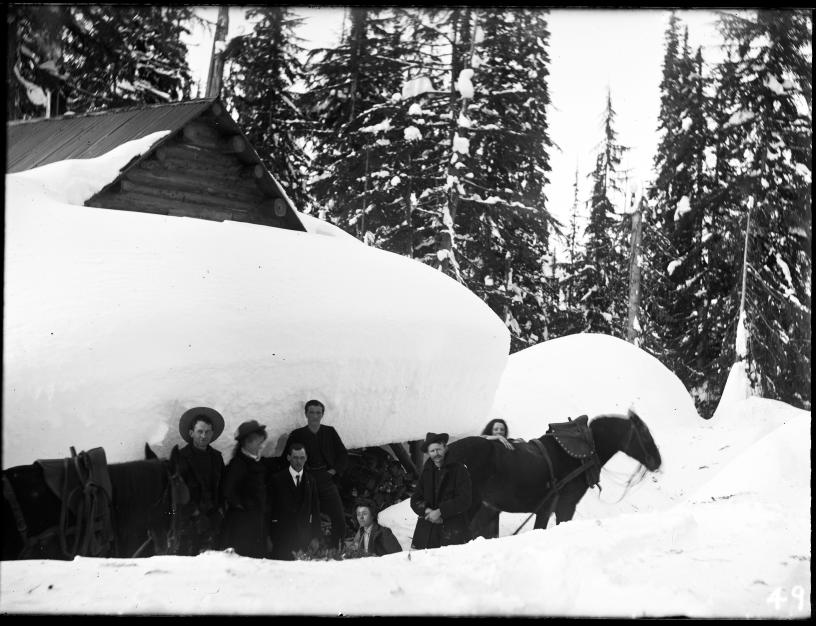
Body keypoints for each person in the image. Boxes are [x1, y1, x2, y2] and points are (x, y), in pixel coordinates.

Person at [282, 399, 349, 550]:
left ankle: (336, 549)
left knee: (338, 516)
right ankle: (307, 551)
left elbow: (342, 454)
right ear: (306, 414)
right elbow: (286, 459)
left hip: (325, 478)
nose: (315, 416)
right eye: (311, 412)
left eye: (318, 412)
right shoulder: (297, 434)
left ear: (322, 414)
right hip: (306, 480)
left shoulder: (329, 432)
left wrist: (333, 471)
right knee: (308, 518)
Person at [172, 409, 226, 555]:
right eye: (200, 431)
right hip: (189, 524)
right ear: (191, 433)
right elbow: (177, 492)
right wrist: (194, 513)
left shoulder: (216, 457)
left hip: (213, 522)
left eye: (207, 432)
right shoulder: (181, 457)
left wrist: (220, 510)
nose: (204, 436)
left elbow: (222, 486)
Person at [410, 432, 472, 550]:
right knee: (424, 565)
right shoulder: (426, 471)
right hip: (426, 531)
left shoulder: (459, 469)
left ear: (445, 448)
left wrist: (440, 511)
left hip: (453, 530)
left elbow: (465, 499)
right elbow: (415, 499)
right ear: (428, 453)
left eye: (438, 449)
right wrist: (427, 511)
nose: (436, 454)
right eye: (432, 451)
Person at [220, 420, 269, 558]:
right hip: (241, 526)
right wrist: (245, 507)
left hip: (255, 523)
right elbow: (228, 492)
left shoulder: (254, 462)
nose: (261, 446)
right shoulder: (238, 464)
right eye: (259, 443)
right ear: (247, 443)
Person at [268, 442, 322, 560]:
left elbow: (315, 510)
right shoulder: (277, 479)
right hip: (281, 538)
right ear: (288, 458)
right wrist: (268, 537)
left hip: (303, 538)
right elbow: (269, 509)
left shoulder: (311, 481)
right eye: (295, 458)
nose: (299, 462)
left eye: (302, 458)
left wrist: (316, 537)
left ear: (306, 458)